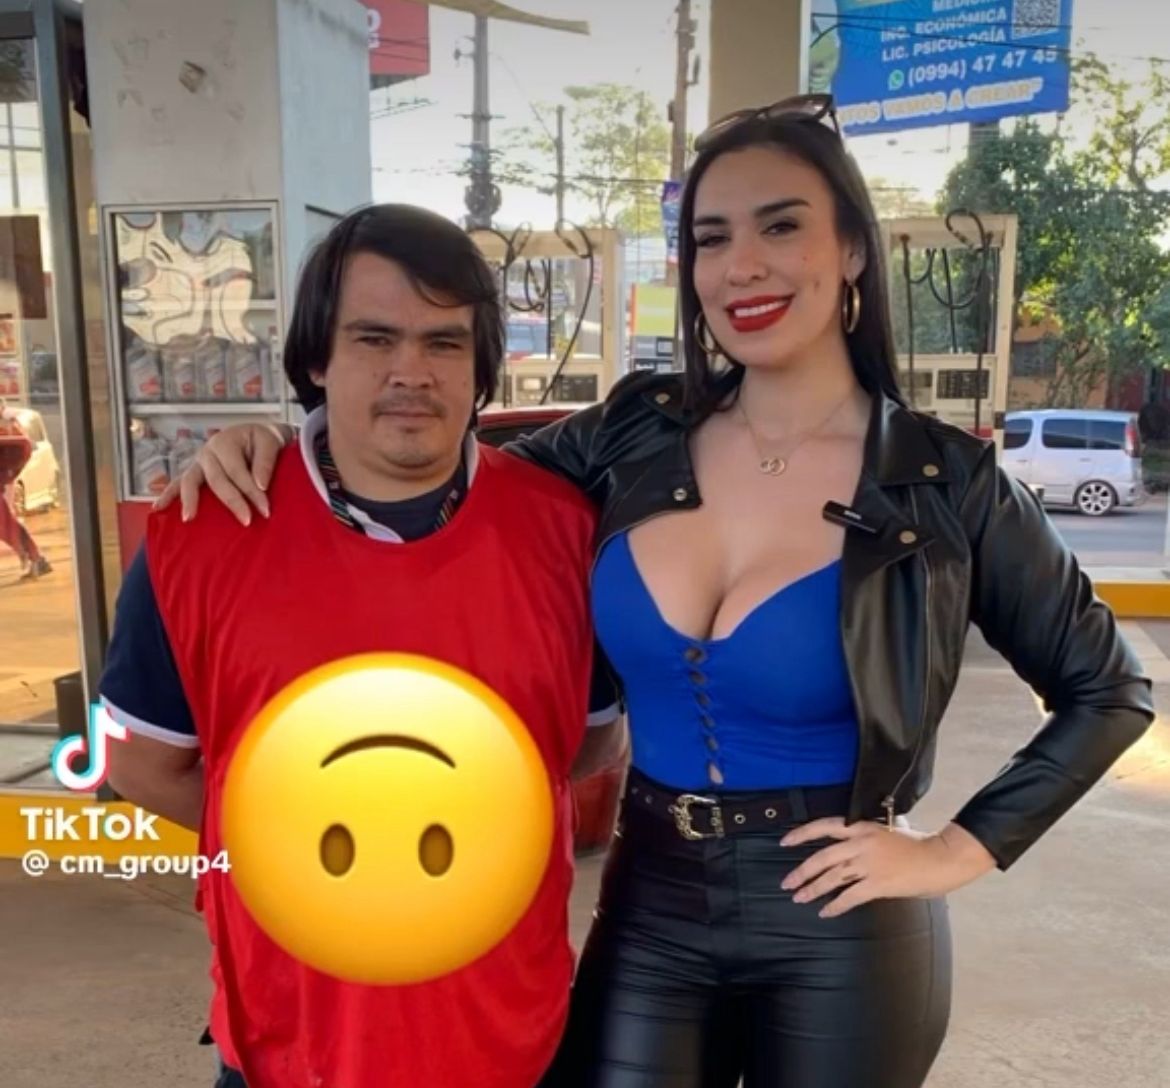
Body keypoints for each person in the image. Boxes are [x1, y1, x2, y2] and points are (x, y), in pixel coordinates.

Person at [161, 96, 1155, 1088]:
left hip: (842, 918)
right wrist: (283, 441)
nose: (743, 265)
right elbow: (434, 470)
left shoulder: (943, 480)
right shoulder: (635, 435)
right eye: (712, 238)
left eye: (781, 226)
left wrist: (956, 850)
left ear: (852, 247)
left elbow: (1108, 688)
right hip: (651, 901)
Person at [101, 204, 623, 1088]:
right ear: (317, 357)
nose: (410, 372)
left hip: (515, 1044)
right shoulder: (202, 534)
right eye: (375, 338)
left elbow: (584, 743)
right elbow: (142, 764)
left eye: (444, 342)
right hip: (287, 1049)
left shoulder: (568, 537)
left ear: (481, 364)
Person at [0, 399, 51, 580]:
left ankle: (35, 558)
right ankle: (35, 558)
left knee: (6, 524)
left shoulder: (9, 424)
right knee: (6, 523)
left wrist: (8, 473)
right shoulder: (9, 423)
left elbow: (22, 446)